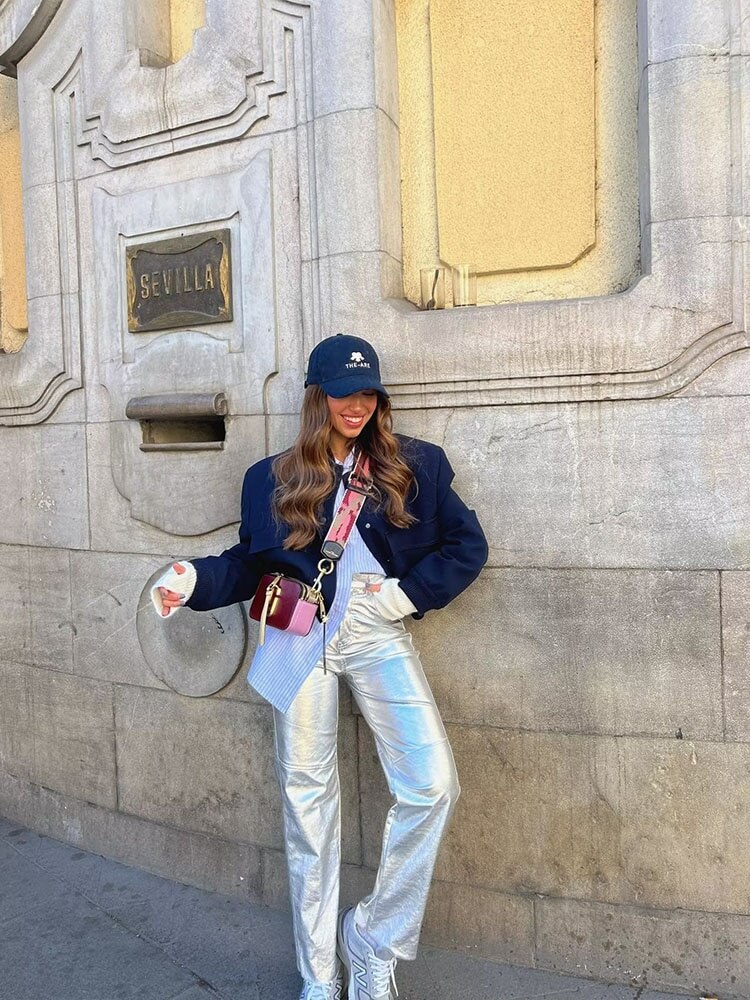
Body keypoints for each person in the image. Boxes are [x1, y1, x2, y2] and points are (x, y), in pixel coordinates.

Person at [152, 334, 488, 1000]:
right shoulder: (269, 478)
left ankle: (371, 937)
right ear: (317, 397)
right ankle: (319, 976)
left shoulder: (415, 464)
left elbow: (466, 545)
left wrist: (401, 597)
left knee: (432, 785)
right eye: (341, 393)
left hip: (375, 630)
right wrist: (193, 578)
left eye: (367, 393)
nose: (355, 406)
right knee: (308, 808)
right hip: (297, 641)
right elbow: (248, 565)